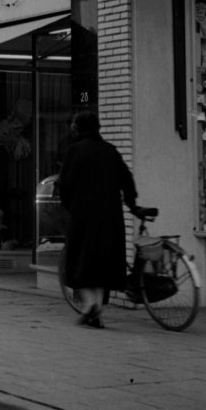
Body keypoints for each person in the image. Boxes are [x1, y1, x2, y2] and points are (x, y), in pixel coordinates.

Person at [57, 111, 139, 329]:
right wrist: (132, 205)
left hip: (83, 215)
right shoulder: (110, 151)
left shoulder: (75, 151)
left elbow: (64, 185)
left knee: (81, 262)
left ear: (79, 128)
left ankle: (91, 306)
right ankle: (96, 311)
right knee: (104, 263)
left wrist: (68, 206)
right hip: (110, 216)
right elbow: (127, 180)